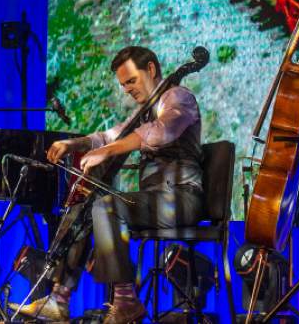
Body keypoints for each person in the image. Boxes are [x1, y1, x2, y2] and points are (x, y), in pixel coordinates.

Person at [11, 46, 204, 323]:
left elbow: (162, 132)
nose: (127, 89)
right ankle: (59, 298)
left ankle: (125, 301)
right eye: (123, 84)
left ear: (150, 69)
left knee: (107, 207)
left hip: (182, 198)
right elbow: (109, 135)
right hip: (154, 201)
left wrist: (110, 151)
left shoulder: (178, 97)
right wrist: (73, 143)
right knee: (85, 207)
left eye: (131, 81)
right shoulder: (145, 111)